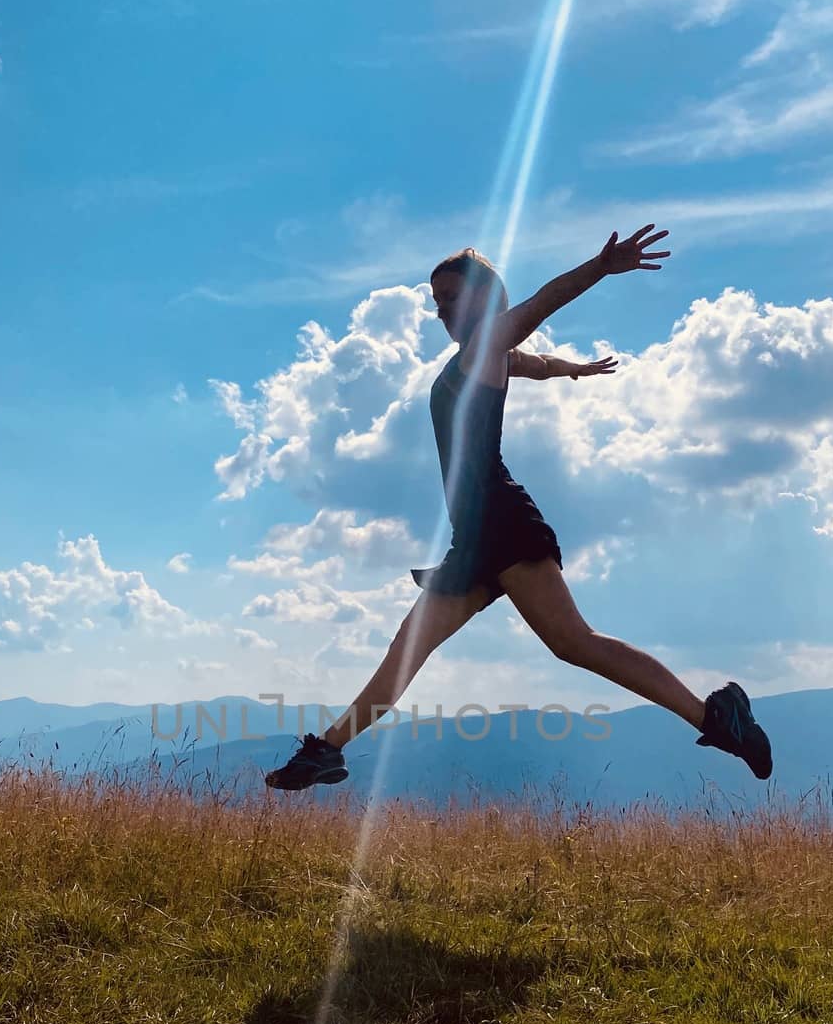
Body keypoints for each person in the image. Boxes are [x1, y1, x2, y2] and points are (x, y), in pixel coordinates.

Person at [266, 225, 772, 789]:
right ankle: (326, 751)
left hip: (501, 522)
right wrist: (574, 369)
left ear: (482, 297)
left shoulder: (487, 346)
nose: (442, 312)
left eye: (451, 299)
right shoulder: (487, 356)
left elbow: (540, 304)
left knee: (575, 643)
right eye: (437, 303)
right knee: (411, 647)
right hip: (472, 537)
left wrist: (599, 268)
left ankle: (715, 715)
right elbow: (536, 362)